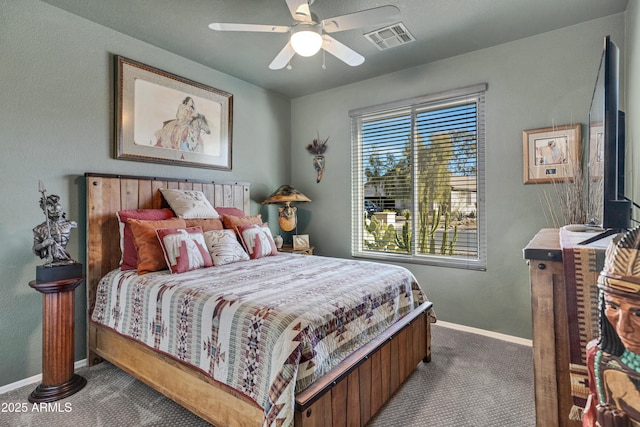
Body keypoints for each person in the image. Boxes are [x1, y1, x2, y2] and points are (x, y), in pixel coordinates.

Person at [583, 227, 640, 427]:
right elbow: (591, 411)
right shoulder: (598, 356)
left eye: (638, 313)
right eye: (613, 306)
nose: (623, 328)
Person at [32, 194, 77, 266]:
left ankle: (63, 259)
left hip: (66, 258)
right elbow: (35, 248)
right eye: (53, 211)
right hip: (51, 259)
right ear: (46, 213)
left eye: (59, 211)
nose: (57, 214)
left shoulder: (70, 224)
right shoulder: (40, 229)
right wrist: (44, 244)